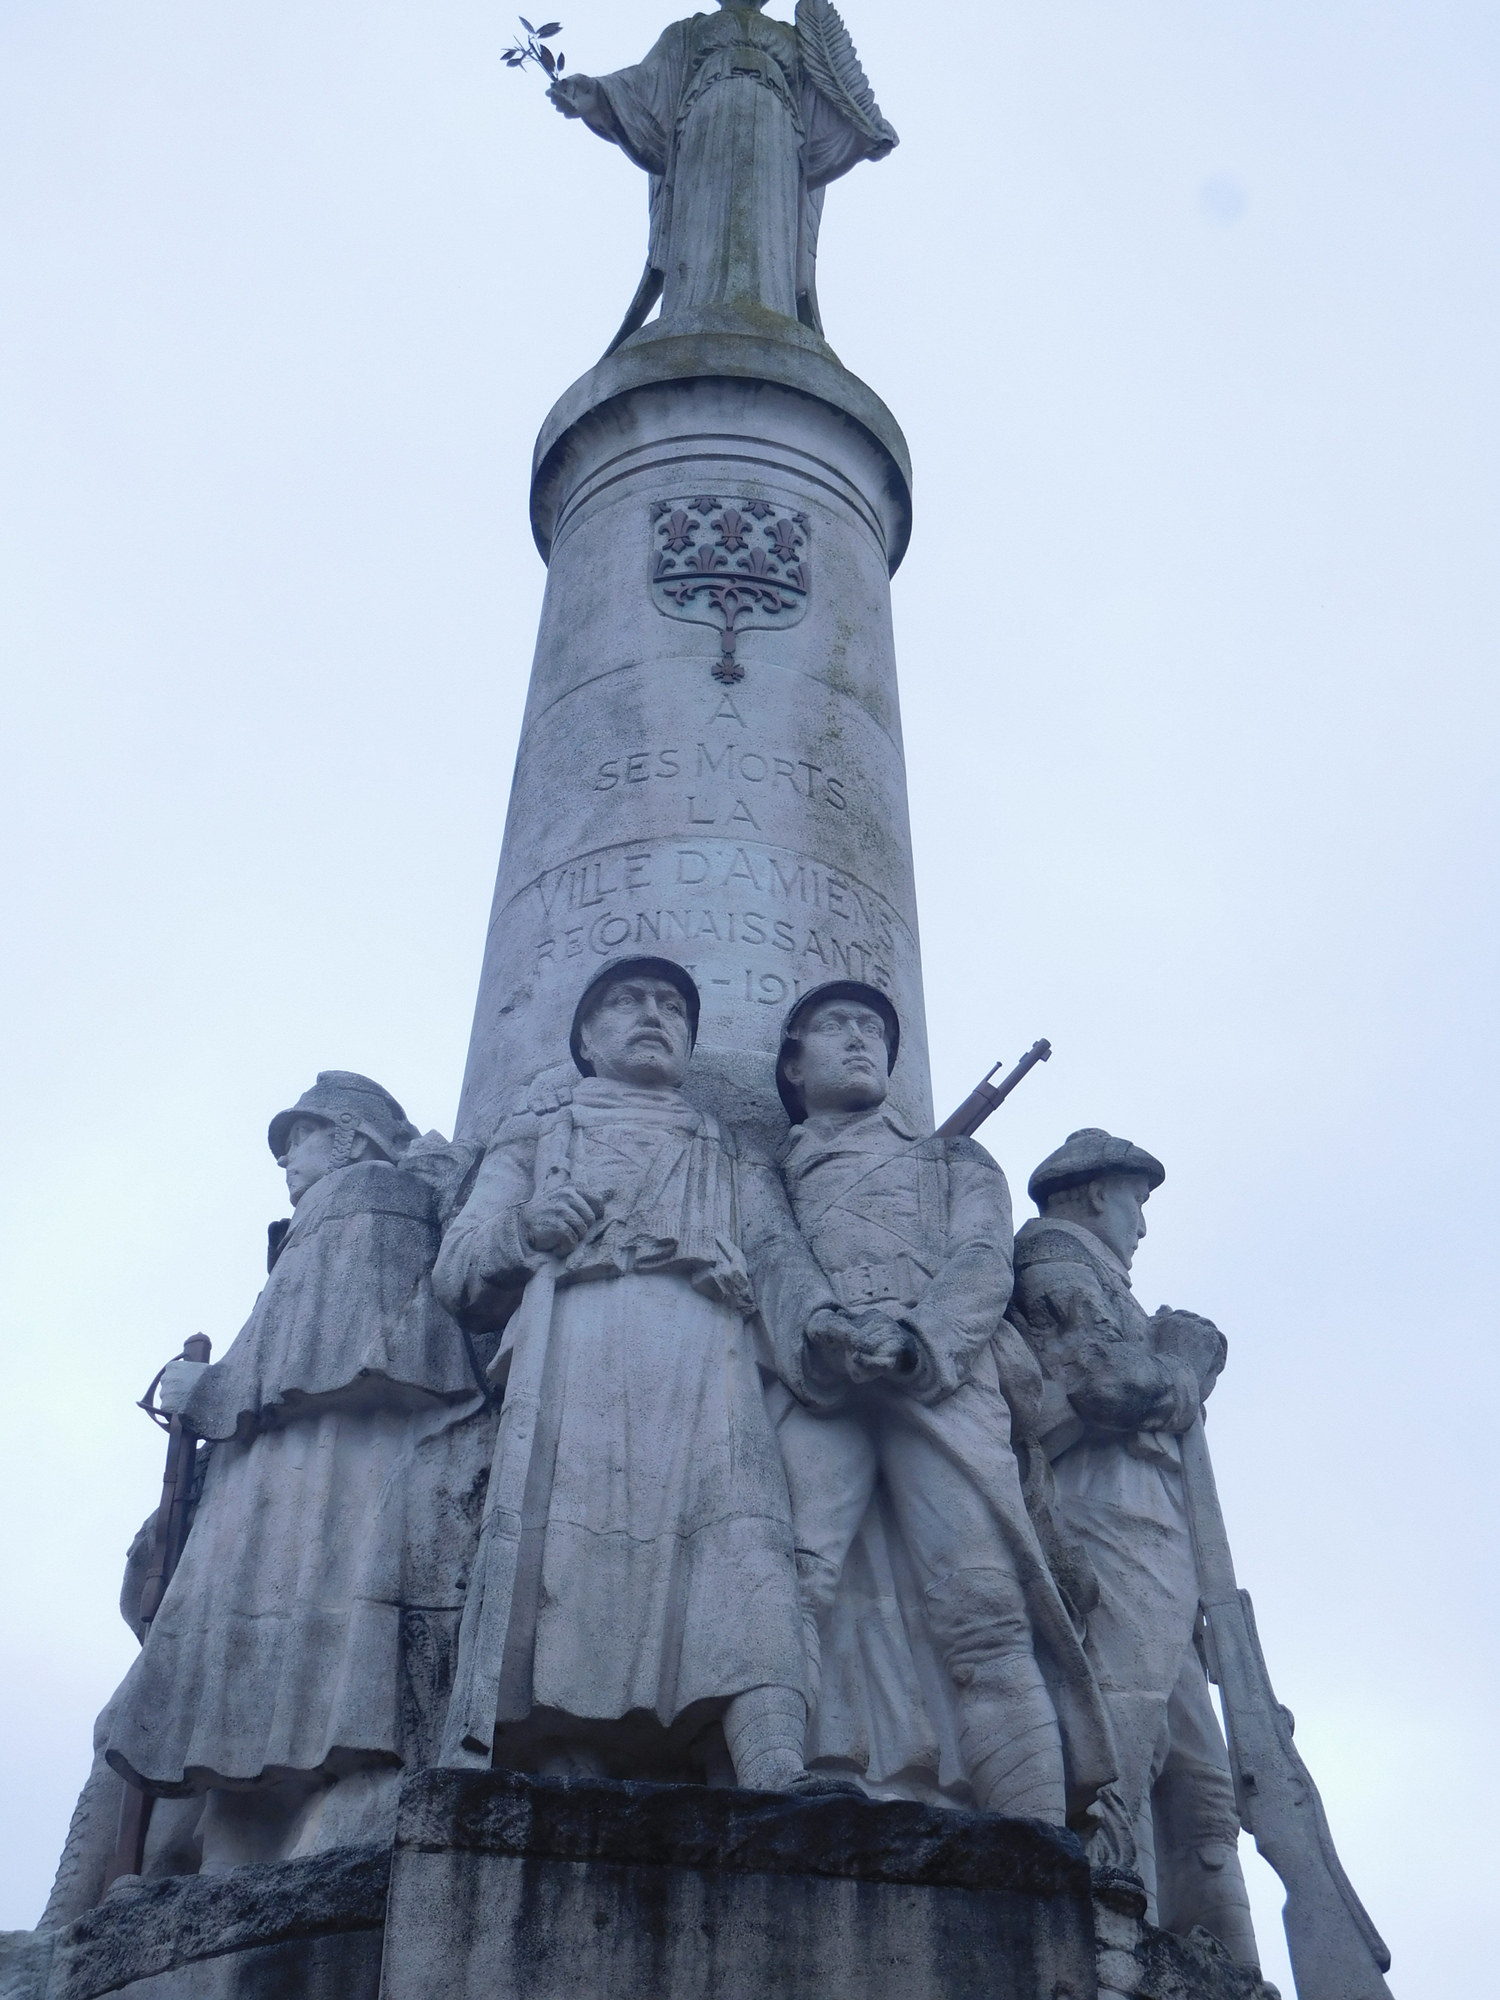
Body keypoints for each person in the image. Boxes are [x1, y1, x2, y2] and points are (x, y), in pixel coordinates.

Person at [433, 957, 857, 1792]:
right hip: (580, 1342)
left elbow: (778, 1255)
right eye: (626, 1002)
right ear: (586, 1039)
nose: (654, 1015)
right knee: (573, 1549)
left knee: (744, 1542)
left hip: (712, 1354)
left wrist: (824, 1324)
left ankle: (769, 1752)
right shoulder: (539, 1135)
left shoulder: (727, 1148)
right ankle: (565, 1744)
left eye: (671, 1006)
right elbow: (459, 1268)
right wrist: (525, 1231)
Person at [104, 1073, 488, 1871]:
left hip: (321, 1476)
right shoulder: (335, 1208)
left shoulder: (363, 1194)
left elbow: (336, 1339)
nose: (287, 1158)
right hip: (294, 1466)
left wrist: (211, 1389)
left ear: (349, 1136)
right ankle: (241, 1848)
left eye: (300, 1137)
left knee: (291, 1675)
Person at [764, 982, 1115, 1826]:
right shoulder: (766, 1171)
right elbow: (772, 1254)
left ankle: (1035, 1835)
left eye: (873, 1029)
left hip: (941, 1379)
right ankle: (769, 1778)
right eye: (835, 1027)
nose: (859, 1040)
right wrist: (827, 1328)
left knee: (984, 1610)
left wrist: (919, 1339)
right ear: (793, 1065)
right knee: (789, 1581)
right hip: (822, 1379)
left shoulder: (958, 1162)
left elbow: (983, 1260)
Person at [1007, 1128, 1258, 1963]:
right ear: (1092, 1193)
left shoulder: (1105, 1280)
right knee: (1124, 1718)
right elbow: (1102, 1383)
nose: (1142, 1225)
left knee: (1204, 1774)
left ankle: (1222, 1952)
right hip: (1105, 1503)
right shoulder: (1053, 1258)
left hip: (1154, 1514)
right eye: (1136, 1202)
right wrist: (1184, 1367)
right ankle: (1111, 1905)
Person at [548, 0, 896, 343]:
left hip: (776, 137)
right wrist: (593, 92)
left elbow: (824, 107)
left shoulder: (793, 39)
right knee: (703, 220)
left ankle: (770, 315)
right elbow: (643, 85)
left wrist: (864, 132)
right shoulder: (688, 32)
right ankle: (691, 311)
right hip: (705, 126)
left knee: (767, 226)